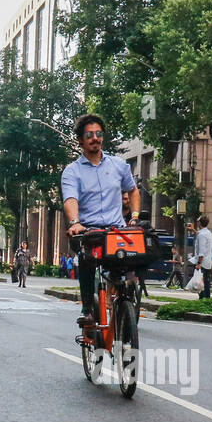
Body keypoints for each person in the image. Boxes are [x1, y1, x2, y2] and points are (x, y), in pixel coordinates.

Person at [62, 113, 141, 322]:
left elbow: (132, 191)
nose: (95, 138)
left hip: (116, 232)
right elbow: (70, 199)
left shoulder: (118, 165)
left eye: (98, 134)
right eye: (89, 135)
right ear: (81, 140)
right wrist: (75, 223)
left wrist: (133, 217)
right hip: (88, 231)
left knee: (130, 258)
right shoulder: (72, 171)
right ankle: (87, 308)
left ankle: (124, 300)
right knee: (86, 260)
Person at [191, 215, 212, 299]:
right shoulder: (208, 233)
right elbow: (200, 235)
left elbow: (201, 251)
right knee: (206, 282)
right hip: (208, 262)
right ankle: (207, 299)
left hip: (202, 263)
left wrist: (199, 263)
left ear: (200, 223)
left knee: (201, 284)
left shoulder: (201, 235)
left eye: (198, 221)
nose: (197, 222)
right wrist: (193, 230)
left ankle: (203, 299)